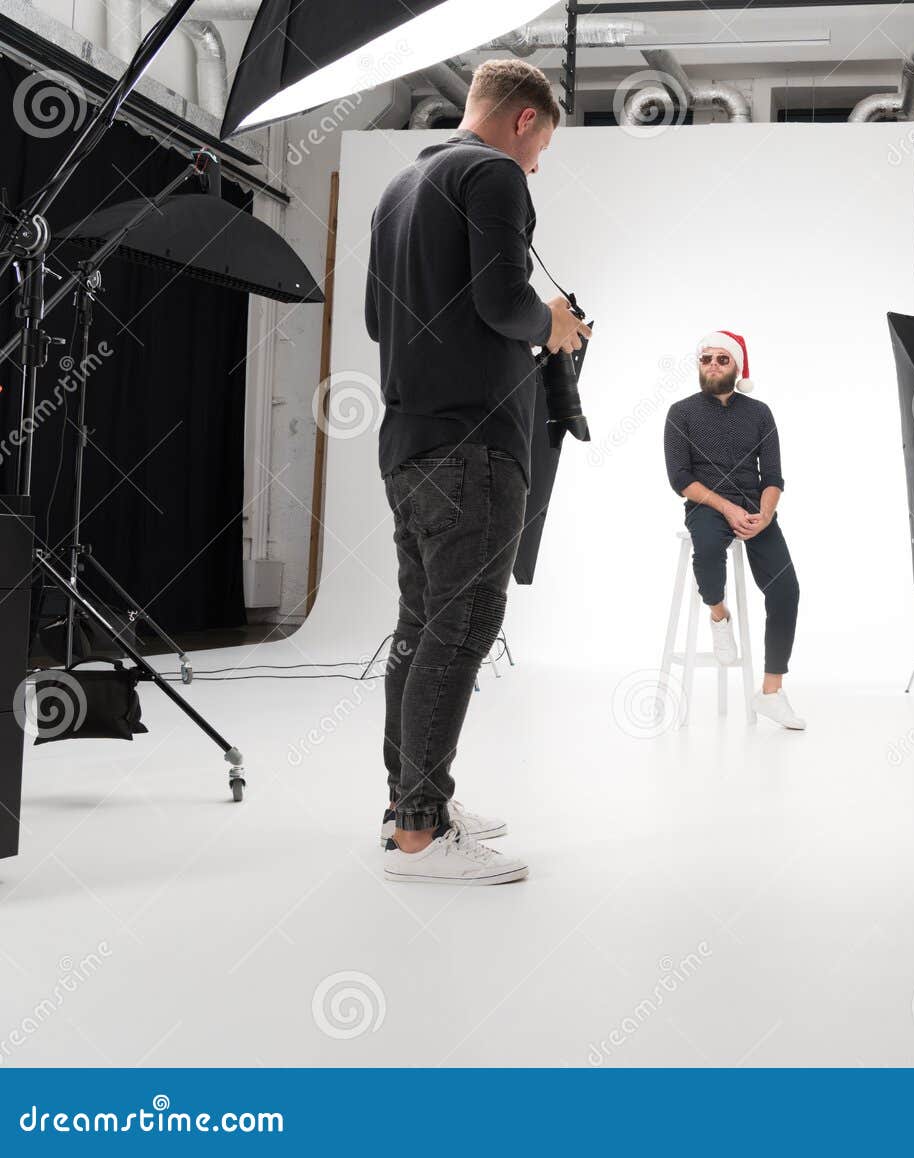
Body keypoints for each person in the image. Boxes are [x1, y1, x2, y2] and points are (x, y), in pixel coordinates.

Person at [364, 60, 590, 884]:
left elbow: (375, 320)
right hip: (473, 445)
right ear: (525, 120)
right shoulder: (492, 174)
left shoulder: (399, 189)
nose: (536, 166)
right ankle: (420, 836)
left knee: (423, 626)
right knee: (461, 628)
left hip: (408, 443)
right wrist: (552, 323)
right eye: (542, 148)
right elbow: (503, 303)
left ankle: (409, 805)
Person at [663, 332, 804, 730]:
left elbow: (773, 476)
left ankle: (771, 693)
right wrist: (726, 507)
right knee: (708, 551)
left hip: (755, 509)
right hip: (707, 505)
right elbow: (680, 478)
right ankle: (719, 616)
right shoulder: (680, 412)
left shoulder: (759, 413)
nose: (712, 364)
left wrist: (765, 513)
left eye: (722, 359)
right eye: (706, 358)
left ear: (737, 366)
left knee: (786, 589)